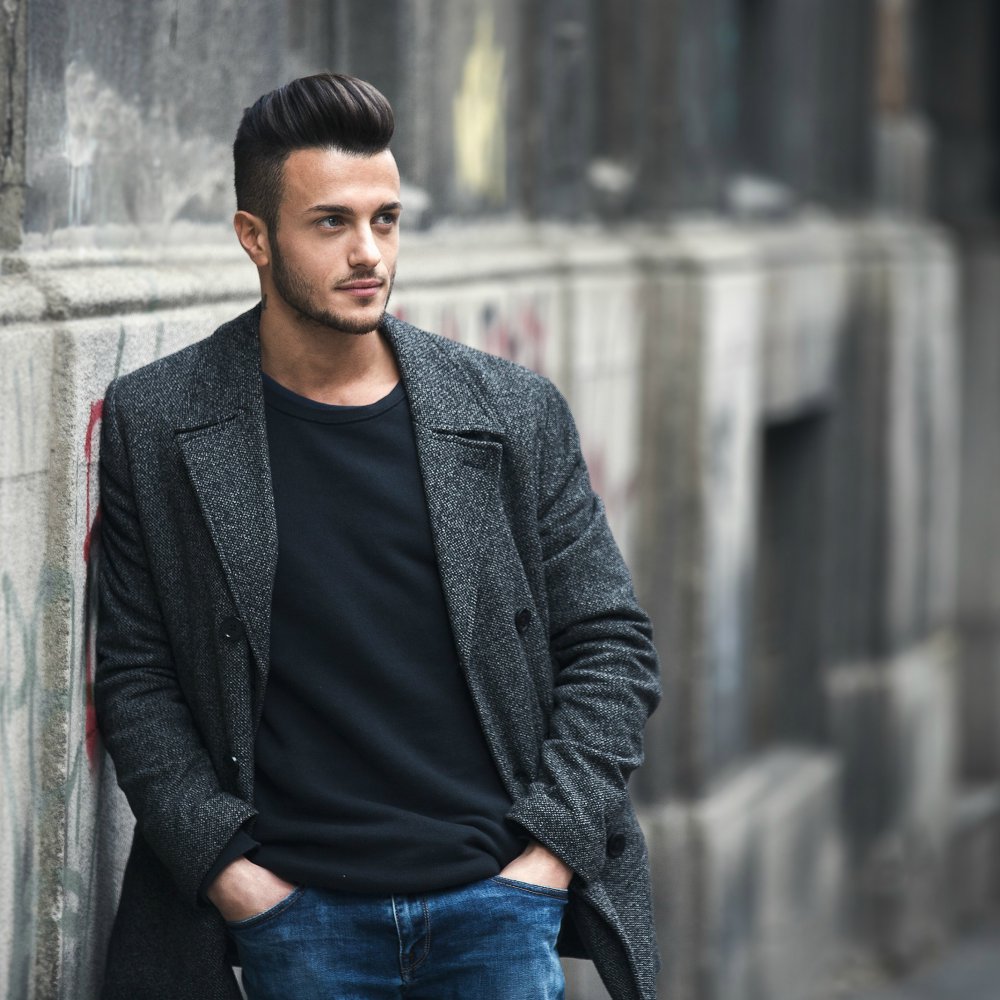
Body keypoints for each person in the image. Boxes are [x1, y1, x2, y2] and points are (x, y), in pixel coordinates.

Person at [95, 73, 660, 1000]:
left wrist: (546, 858)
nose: (369, 253)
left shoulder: (511, 411)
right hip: (294, 921)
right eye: (331, 223)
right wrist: (233, 876)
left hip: (496, 910)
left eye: (386, 220)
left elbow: (612, 644)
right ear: (255, 238)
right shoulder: (159, 421)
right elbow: (136, 673)